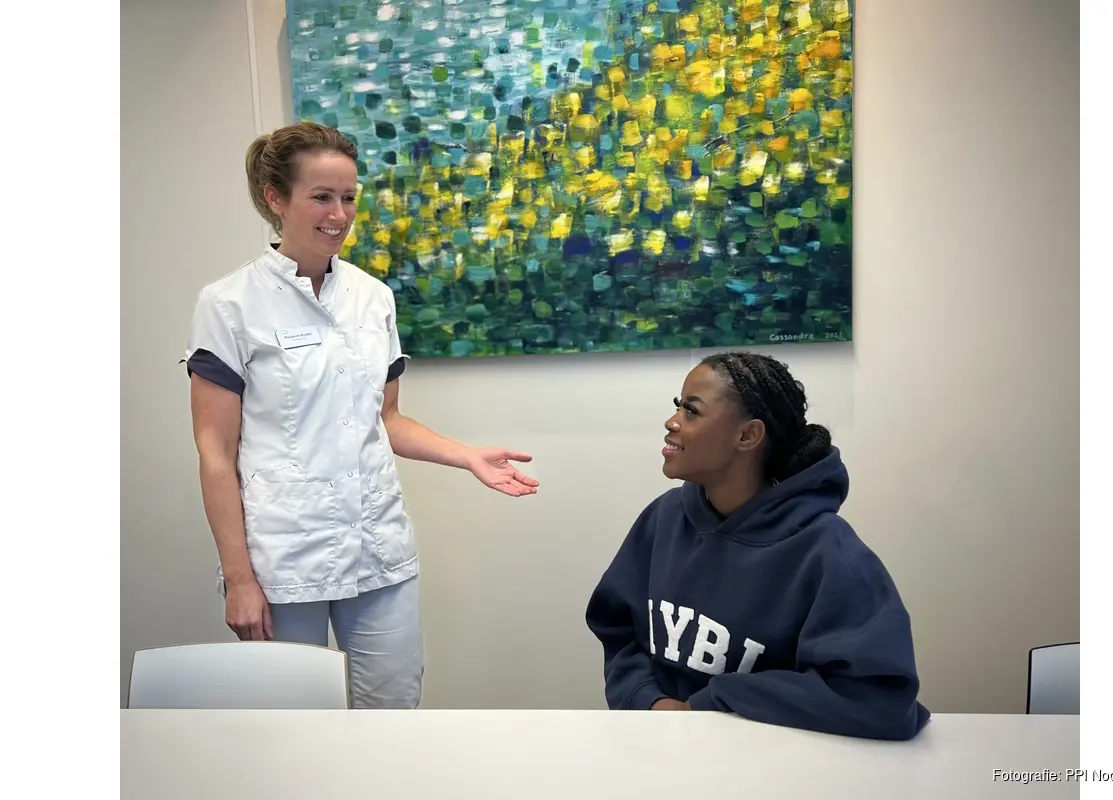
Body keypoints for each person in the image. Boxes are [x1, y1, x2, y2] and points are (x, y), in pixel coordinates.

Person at [184, 121, 539, 709]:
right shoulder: (228, 304)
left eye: (349, 197)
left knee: (393, 713)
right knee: (292, 728)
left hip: (377, 545)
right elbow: (215, 452)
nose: (339, 214)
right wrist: (239, 579)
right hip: (284, 557)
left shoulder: (373, 297)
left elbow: (388, 419)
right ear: (276, 199)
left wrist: (467, 457)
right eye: (321, 196)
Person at [584, 352, 930, 740]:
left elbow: (879, 700)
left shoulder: (830, 554)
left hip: (776, 763)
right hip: (662, 747)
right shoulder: (664, 516)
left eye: (692, 411)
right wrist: (648, 701)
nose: (672, 422)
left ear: (747, 436)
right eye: (678, 406)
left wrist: (712, 702)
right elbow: (618, 628)